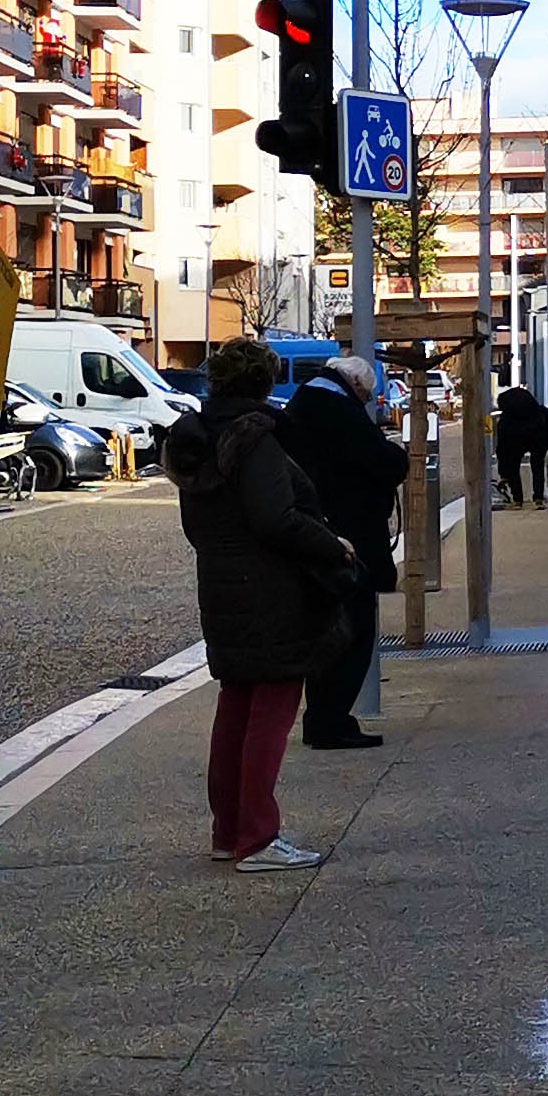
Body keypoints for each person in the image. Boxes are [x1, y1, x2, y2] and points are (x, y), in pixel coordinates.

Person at [164, 338, 354, 870]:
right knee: (271, 708)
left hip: (222, 585)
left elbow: (196, 527)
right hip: (271, 589)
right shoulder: (256, 439)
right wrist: (331, 544)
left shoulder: (195, 438)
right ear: (262, 385)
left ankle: (228, 831)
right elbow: (276, 518)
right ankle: (258, 838)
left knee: (237, 704)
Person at [276, 352, 407, 750]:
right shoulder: (340, 411)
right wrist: (398, 454)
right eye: (366, 394)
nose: (366, 401)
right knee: (354, 633)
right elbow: (384, 462)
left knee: (329, 633)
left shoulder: (302, 403)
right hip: (350, 539)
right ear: (355, 385)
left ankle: (324, 717)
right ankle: (330, 721)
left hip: (314, 535)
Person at [496, 380, 548, 508]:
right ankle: (538, 497)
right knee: (537, 465)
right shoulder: (541, 414)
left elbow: (502, 450)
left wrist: (503, 474)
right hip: (537, 434)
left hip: (514, 437)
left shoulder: (505, 422)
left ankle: (517, 500)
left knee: (513, 466)